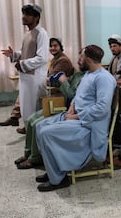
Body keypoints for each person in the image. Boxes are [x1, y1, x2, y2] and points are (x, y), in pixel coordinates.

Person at [35, 45, 116, 192]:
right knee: (39, 126)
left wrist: (75, 116)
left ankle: (58, 179)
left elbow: (102, 109)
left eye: (81, 57)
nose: (78, 60)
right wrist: (72, 105)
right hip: (77, 116)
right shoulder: (89, 74)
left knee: (46, 133)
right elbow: (80, 95)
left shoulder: (104, 78)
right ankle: (55, 169)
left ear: (89, 60)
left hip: (89, 124)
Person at [14, 38, 78, 169]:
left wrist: (40, 78)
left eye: (55, 46)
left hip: (59, 98)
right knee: (31, 119)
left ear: (61, 47)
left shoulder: (63, 61)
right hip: (54, 95)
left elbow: (52, 80)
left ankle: (35, 158)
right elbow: (48, 78)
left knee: (36, 122)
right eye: (51, 46)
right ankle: (28, 153)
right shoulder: (54, 60)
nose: (53, 48)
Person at [1, 3, 49, 134]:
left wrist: (21, 64)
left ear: (36, 17)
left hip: (35, 78)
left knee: (32, 110)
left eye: (27, 14)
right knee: (25, 109)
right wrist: (14, 55)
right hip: (26, 77)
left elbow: (42, 58)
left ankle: (34, 145)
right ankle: (30, 136)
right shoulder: (28, 33)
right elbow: (25, 52)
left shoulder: (41, 33)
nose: (24, 17)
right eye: (23, 14)